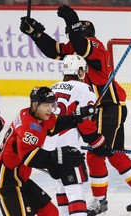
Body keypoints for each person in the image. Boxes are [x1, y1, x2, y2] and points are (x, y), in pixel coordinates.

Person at [19, 5, 131, 216]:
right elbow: (54, 50)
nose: (70, 44)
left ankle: (100, 201)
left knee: (95, 154)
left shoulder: (94, 45)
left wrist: (71, 22)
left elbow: (80, 45)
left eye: (74, 36)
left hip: (107, 107)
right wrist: (37, 34)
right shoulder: (77, 49)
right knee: (113, 153)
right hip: (107, 107)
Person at [0, 86, 98, 216]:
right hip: (4, 182)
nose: (50, 109)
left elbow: (56, 124)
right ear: (35, 105)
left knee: (50, 212)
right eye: (46, 105)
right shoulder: (28, 127)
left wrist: (78, 116)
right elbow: (30, 158)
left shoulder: (36, 116)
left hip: (19, 178)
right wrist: (61, 156)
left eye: (52, 105)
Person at [43, 54, 110, 216]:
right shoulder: (84, 89)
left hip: (47, 147)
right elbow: (86, 124)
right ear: (80, 71)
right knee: (75, 188)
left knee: (61, 184)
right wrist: (98, 142)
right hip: (68, 148)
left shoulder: (53, 87)